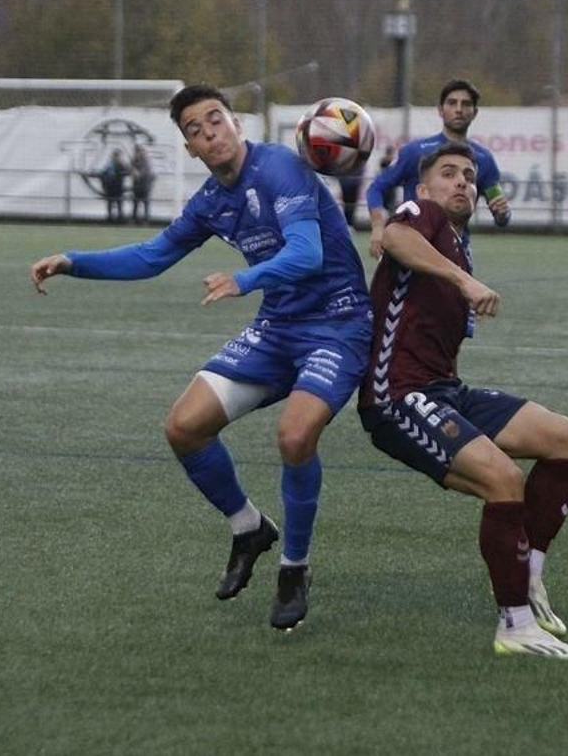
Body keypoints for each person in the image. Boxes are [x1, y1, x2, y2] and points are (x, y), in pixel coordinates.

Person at [30, 84, 372, 630]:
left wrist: (245, 279)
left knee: (294, 435)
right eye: (194, 130)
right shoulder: (211, 202)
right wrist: (74, 261)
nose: (209, 133)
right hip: (278, 328)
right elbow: (151, 256)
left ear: (236, 123)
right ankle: (248, 528)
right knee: (184, 427)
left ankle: (294, 567)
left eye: (215, 120)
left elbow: (306, 255)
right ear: (189, 149)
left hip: (339, 324)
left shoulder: (281, 167)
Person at [361, 143, 568, 659]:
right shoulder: (422, 214)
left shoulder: (456, 241)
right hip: (396, 396)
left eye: (468, 175)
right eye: (448, 174)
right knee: (503, 478)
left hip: (446, 390)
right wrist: (463, 281)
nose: (462, 181)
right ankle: (514, 625)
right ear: (423, 188)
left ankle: (527, 573)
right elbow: (394, 235)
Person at [365, 78, 510, 259]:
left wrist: (503, 213)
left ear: (474, 112)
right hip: (413, 247)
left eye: (466, 104)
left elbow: (501, 214)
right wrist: (378, 226)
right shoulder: (415, 152)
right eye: (452, 103)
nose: (459, 109)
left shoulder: (483, 159)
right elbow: (376, 188)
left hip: (457, 251)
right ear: (441, 110)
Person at [129, 143, 154, 224]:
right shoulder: (134, 161)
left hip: (144, 186)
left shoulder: (145, 161)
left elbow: (145, 172)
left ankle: (146, 220)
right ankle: (134, 220)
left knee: (145, 203)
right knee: (135, 203)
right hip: (136, 186)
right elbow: (132, 172)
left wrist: (138, 173)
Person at [101, 148, 128, 222]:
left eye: (117, 156)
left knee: (119, 203)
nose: (116, 157)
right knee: (110, 203)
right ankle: (110, 218)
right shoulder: (109, 165)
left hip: (118, 187)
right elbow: (103, 173)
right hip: (111, 187)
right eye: (115, 156)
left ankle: (120, 218)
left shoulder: (122, 164)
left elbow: (127, 172)